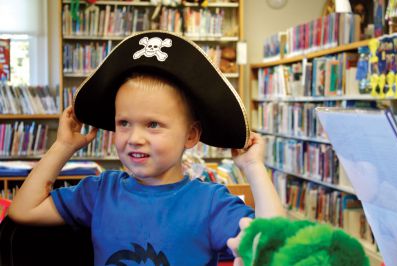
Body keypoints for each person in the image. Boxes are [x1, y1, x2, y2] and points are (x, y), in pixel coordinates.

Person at [8, 30, 285, 265]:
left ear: (190, 136)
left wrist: (253, 167)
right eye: (124, 123)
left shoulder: (210, 203)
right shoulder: (100, 192)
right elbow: (24, 210)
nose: (134, 137)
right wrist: (63, 146)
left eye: (153, 124)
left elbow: (275, 248)